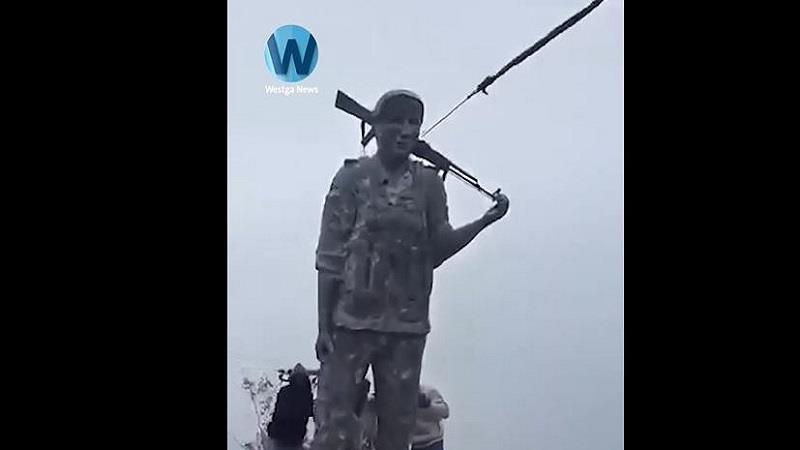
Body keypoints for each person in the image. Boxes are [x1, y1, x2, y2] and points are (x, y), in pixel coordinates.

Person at [312, 89, 509, 450]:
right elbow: (330, 257)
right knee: (334, 428)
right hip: (351, 324)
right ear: (375, 126)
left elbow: (438, 249)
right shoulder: (352, 179)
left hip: (406, 327)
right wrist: (324, 326)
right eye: (395, 121)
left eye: (413, 122)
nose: (405, 130)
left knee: (397, 431)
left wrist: (484, 221)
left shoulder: (429, 184)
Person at [266, 364, 315, 450]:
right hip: (296, 437)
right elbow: (310, 412)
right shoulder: (307, 394)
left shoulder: (284, 391)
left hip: (278, 433)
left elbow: (277, 411)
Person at [410, 385, 449, 450]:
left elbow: (445, 412)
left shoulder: (428, 392)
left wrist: (428, 404)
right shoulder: (398, 396)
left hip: (433, 442)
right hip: (415, 444)